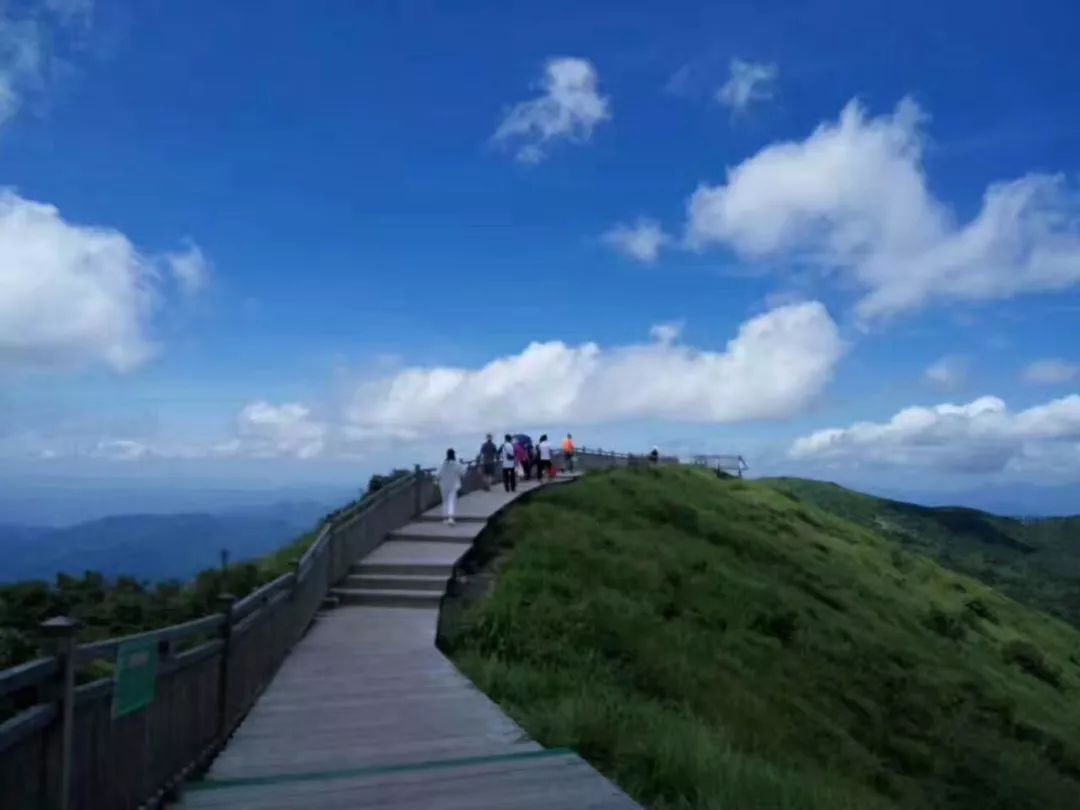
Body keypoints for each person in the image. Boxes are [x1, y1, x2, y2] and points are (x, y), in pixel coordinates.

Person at [437, 448, 466, 524]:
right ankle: (451, 518)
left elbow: (438, 474)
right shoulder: (456, 464)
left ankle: (445, 518)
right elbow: (463, 472)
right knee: (452, 501)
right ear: (454, 455)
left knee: (445, 501)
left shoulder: (443, 464)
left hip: (443, 485)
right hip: (453, 484)